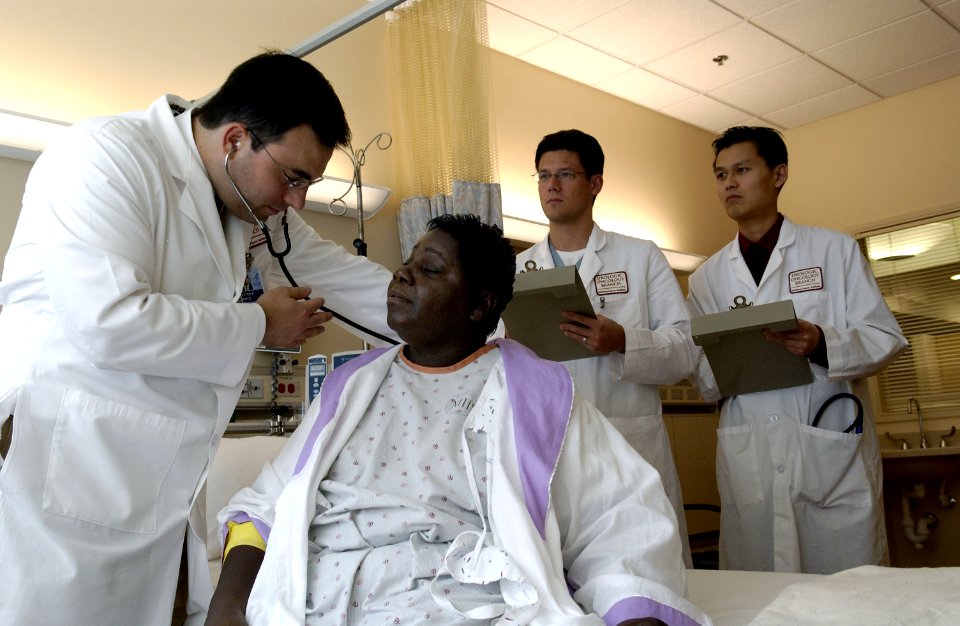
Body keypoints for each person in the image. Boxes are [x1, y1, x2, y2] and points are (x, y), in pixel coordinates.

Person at [0, 52, 397, 625]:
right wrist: (261, 323)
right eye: (293, 178)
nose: (297, 201)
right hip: (65, 469)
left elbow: (340, 277)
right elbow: (110, 323)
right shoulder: (104, 158)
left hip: (158, 483)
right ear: (235, 139)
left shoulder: (251, 208)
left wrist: (468, 322)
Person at [207, 214, 711, 626]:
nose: (402, 275)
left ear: (481, 305)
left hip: (454, 607)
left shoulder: (535, 393)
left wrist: (634, 615)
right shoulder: (350, 388)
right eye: (405, 264)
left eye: (429, 269)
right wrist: (227, 609)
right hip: (313, 604)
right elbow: (263, 509)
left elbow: (620, 520)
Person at [686, 126, 907, 574]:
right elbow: (703, 374)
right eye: (720, 174)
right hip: (751, 453)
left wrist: (822, 342)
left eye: (742, 170)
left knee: (848, 594)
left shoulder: (834, 250)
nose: (729, 183)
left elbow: (884, 337)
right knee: (762, 596)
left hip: (827, 450)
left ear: (779, 174)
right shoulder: (708, 277)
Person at [516, 129, 697, 566]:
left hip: (628, 442)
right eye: (543, 176)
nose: (552, 186)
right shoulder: (517, 272)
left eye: (564, 174)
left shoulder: (640, 256)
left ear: (594, 183)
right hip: (550, 450)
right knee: (566, 579)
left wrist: (624, 341)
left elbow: (686, 350)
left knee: (647, 570)